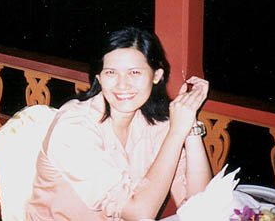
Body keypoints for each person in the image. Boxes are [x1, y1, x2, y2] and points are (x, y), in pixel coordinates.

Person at [26, 26, 212, 221]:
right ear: (99, 78)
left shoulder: (156, 124)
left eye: (134, 73)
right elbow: (139, 213)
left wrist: (190, 124)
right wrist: (176, 133)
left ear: (156, 76)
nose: (123, 85)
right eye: (111, 72)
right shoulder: (74, 126)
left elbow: (203, 207)